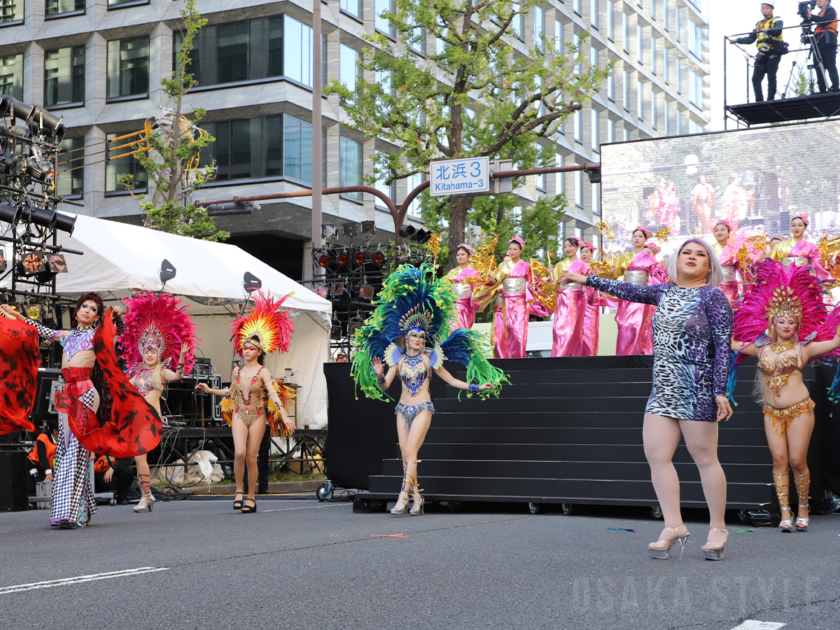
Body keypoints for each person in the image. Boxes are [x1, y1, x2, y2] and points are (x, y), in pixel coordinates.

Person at [563, 239, 734, 561]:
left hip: (697, 387)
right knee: (656, 454)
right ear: (675, 261)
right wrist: (585, 279)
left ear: (709, 266)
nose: (693, 258)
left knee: (705, 458)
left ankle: (718, 527)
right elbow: (626, 290)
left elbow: (724, 346)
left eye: (700, 255)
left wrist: (720, 390)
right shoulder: (664, 291)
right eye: (687, 252)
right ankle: (673, 525)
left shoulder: (712, 296)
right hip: (663, 389)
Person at [353, 262, 505, 516]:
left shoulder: (430, 358)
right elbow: (386, 386)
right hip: (402, 409)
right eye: (414, 335)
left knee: (411, 451)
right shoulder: (397, 358)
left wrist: (476, 386)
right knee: (405, 457)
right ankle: (418, 498)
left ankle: (402, 496)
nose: (418, 339)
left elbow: (451, 381)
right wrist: (380, 375)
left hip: (423, 408)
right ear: (406, 337)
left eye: (422, 336)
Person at [1, 294, 160, 529]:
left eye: (93, 309)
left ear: (97, 317)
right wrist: (17, 315)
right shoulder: (67, 336)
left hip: (85, 393)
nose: (86, 310)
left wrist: (116, 317)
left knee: (76, 451)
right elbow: (42, 330)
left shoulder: (97, 336)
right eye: (84, 306)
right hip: (66, 394)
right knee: (67, 450)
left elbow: (117, 330)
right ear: (76, 311)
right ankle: (80, 510)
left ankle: (69, 511)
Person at [731, 260, 840, 533]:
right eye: (781, 320)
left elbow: (836, 341)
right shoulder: (760, 348)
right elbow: (729, 342)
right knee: (779, 461)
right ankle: (784, 512)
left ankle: (803, 508)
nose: (787, 324)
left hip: (800, 410)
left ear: (798, 323)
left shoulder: (805, 348)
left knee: (797, 462)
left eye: (792, 321)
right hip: (771, 412)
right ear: (773, 322)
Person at [196, 292, 296, 514]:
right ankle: (239, 491)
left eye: (251, 348)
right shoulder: (237, 370)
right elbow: (231, 393)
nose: (246, 350)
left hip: (258, 416)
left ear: (259, 351)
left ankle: (251, 496)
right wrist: (210, 389)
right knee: (239, 452)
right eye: (245, 347)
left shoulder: (263, 371)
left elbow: (272, 393)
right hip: (240, 415)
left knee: (252, 456)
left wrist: (285, 416)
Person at [120, 292, 198, 513]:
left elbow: (178, 376)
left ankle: (146, 496)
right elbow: (123, 388)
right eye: (146, 350)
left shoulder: (161, 372)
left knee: (139, 455)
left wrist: (181, 358)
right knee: (138, 458)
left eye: (153, 350)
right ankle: (147, 495)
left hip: (151, 420)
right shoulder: (136, 374)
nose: (149, 354)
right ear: (141, 352)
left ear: (160, 352)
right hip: (137, 419)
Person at [475, 237, 550, 358]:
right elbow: (495, 280)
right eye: (510, 249)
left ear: (520, 250)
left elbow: (533, 284)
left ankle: (518, 359)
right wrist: (489, 278)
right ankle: (503, 360)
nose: (512, 251)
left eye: (515, 249)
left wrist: (533, 285)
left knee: (517, 333)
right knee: (502, 334)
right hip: (505, 302)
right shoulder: (503, 266)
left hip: (520, 303)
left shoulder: (526, 266)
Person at [607, 227, 667, 355]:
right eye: (635, 236)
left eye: (640, 236)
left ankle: (639, 354)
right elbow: (616, 275)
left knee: (639, 325)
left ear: (645, 239)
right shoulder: (623, 258)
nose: (637, 239)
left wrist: (662, 272)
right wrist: (611, 271)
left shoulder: (650, 258)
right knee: (624, 325)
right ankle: (624, 356)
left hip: (641, 296)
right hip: (626, 295)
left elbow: (658, 276)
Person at [730, 3, 786, 102]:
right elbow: (750, 39)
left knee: (771, 77)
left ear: (772, 9)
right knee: (755, 79)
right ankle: (759, 100)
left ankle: (770, 100)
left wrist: (769, 30)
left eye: (767, 8)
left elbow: (778, 31)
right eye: (763, 8)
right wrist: (737, 40)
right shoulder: (759, 24)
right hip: (762, 53)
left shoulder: (777, 19)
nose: (765, 10)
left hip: (773, 51)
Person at [546, 237, 589, 357]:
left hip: (577, 299)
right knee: (559, 329)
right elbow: (554, 284)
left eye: (570, 246)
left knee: (574, 330)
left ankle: (573, 357)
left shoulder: (584, 265)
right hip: (562, 298)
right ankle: (559, 357)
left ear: (576, 247)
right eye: (565, 247)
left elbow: (589, 283)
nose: (567, 249)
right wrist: (550, 275)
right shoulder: (560, 265)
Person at [769, 215, 832, 282]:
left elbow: (817, 265)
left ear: (805, 227)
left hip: (804, 282)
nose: (796, 228)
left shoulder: (812, 247)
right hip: (783, 282)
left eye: (800, 225)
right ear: (790, 227)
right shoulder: (779, 246)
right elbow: (771, 264)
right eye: (793, 225)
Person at [805, 0, 839, 93]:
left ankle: (835, 87)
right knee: (818, 67)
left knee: (830, 64)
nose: (818, 1)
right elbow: (818, 30)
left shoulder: (831, 10)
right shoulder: (819, 14)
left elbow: (826, 20)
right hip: (819, 43)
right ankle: (822, 89)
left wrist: (811, 17)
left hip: (828, 42)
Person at [446, 244, 481, 330]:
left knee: (464, 331)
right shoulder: (452, 273)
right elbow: (446, 289)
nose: (460, 257)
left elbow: (478, 290)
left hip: (467, 307)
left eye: (462, 254)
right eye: (458, 255)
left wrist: (475, 302)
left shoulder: (474, 273)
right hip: (453, 306)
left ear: (468, 257)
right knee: (453, 329)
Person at [579, 241, 602, 356]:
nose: (584, 254)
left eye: (586, 252)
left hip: (592, 301)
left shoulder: (597, 267)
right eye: (582, 252)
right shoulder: (577, 267)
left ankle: (590, 355)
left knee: (590, 330)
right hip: (578, 301)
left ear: (592, 253)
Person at [712, 219, 742, 308]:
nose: (719, 232)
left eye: (722, 230)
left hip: (731, 287)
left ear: (729, 233)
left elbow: (743, 272)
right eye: (716, 230)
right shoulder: (708, 250)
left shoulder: (736, 251)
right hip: (714, 286)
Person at [26, 421, 58, 495]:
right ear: (55, 431)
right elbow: (42, 456)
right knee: (33, 487)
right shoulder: (43, 437)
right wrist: (49, 473)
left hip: (46, 467)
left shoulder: (60, 442)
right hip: (33, 464)